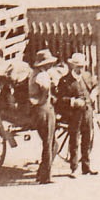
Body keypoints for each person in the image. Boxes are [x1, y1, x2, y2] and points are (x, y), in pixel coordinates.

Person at [55, 55, 97, 175]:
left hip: (87, 112)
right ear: (72, 66)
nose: (81, 68)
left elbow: (96, 86)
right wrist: (73, 101)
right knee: (74, 140)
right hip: (74, 114)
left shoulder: (87, 76)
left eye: (82, 66)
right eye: (78, 66)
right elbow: (60, 99)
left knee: (87, 139)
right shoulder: (65, 80)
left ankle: (86, 167)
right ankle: (74, 168)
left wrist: (93, 94)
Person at [30, 50, 64, 183]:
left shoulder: (34, 74)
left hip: (38, 109)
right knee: (49, 143)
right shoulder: (42, 75)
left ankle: (42, 172)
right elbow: (45, 91)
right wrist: (46, 99)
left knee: (51, 143)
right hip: (44, 109)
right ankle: (46, 176)